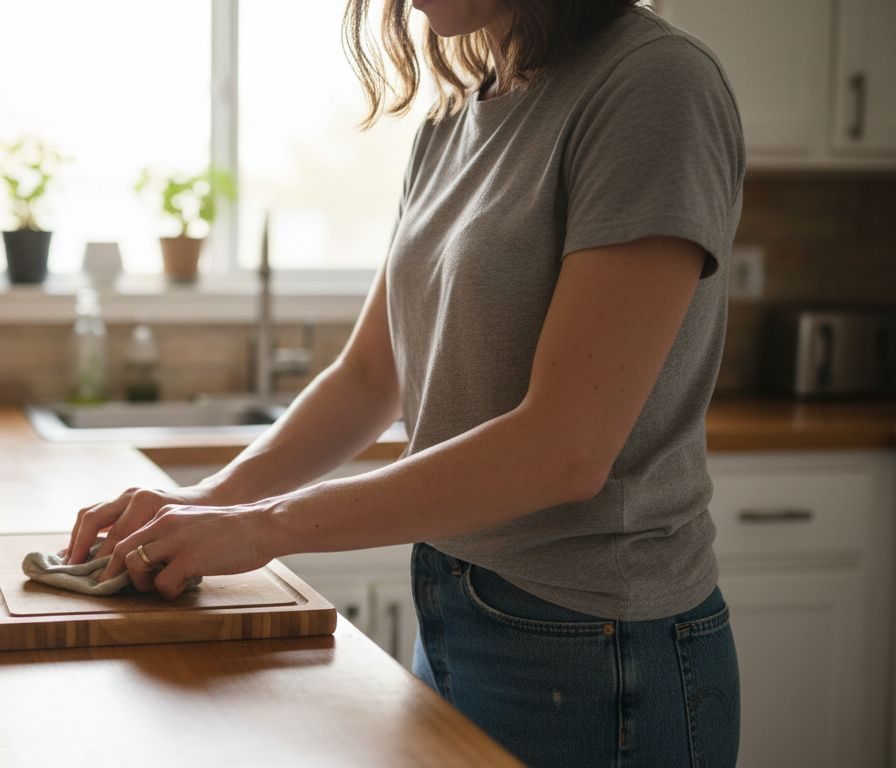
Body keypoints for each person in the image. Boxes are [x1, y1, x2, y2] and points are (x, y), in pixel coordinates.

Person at [64, 0, 744, 764]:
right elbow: (365, 377)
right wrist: (207, 498)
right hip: (454, 608)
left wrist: (261, 526)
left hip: (601, 653)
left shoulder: (654, 85)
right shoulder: (453, 120)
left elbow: (564, 448)